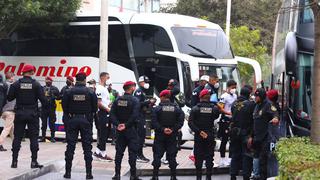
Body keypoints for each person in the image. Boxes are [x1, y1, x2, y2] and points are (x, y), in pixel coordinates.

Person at [7, 64, 47, 168]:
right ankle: (34, 162)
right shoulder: (36, 84)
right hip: (33, 114)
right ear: (31, 72)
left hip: (20, 113)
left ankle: (14, 162)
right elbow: (43, 100)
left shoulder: (16, 84)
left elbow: (10, 98)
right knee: (34, 138)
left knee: (17, 138)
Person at [62, 71, 98, 179]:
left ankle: (68, 173)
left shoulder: (69, 91)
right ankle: (88, 173)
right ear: (85, 80)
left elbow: (64, 107)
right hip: (85, 120)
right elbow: (94, 108)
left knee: (70, 146)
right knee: (87, 147)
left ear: (75, 79)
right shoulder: (90, 92)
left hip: (72, 120)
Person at [110, 81, 141, 180]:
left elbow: (112, 114)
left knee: (119, 153)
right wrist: (126, 125)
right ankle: (133, 175)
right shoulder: (135, 100)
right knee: (132, 153)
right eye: (134, 87)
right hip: (131, 130)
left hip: (120, 130)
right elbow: (135, 115)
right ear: (131, 88)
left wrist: (118, 124)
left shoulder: (117, 100)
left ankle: (117, 174)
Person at [151, 90, 184, 180]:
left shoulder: (157, 109)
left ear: (162, 97)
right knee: (172, 156)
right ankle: (173, 177)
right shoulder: (177, 109)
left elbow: (153, 122)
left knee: (157, 155)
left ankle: (155, 176)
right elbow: (180, 122)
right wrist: (172, 129)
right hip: (172, 136)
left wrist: (162, 129)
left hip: (160, 136)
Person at [188, 89, 220, 180]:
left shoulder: (195, 109)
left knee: (198, 157)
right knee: (209, 156)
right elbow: (216, 116)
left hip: (199, 136)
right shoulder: (214, 108)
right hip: (209, 135)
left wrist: (199, 131)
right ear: (209, 97)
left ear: (200, 97)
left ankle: (198, 178)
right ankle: (208, 177)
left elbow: (190, 123)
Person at [250, 88, 279, 180]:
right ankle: (256, 175)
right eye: (255, 96)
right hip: (256, 138)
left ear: (261, 96)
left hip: (265, 138)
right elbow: (254, 123)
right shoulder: (256, 106)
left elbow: (275, 113)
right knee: (255, 157)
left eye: (257, 96)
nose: (255, 98)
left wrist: (275, 118)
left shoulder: (268, 105)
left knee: (263, 160)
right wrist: (251, 137)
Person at [229, 87, 256, 180]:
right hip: (246, 132)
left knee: (235, 154)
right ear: (248, 94)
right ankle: (246, 175)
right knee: (247, 154)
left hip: (235, 132)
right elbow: (253, 119)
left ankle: (233, 174)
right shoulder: (250, 104)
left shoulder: (234, 104)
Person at [93, 72, 113, 161]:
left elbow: (105, 102)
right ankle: (102, 154)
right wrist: (107, 109)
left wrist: (110, 105)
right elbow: (98, 103)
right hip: (102, 113)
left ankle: (98, 152)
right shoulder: (99, 88)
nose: (109, 79)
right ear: (103, 78)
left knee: (105, 134)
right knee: (103, 134)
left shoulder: (104, 88)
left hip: (106, 113)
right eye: (107, 77)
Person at [218, 79, 238, 167]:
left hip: (232, 120)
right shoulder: (224, 96)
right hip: (225, 120)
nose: (234, 89)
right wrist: (228, 113)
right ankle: (222, 159)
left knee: (232, 140)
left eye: (235, 87)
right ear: (228, 87)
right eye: (233, 87)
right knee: (224, 140)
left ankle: (230, 158)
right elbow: (220, 108)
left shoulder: (235, 96)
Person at [134, 75, 152, 163]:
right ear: (141, 82)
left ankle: (140, 154)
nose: (147, 83)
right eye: (146, 82)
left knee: (142, 137)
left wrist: (149, 104)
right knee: (139, 137)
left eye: (148, 82)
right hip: (138, 117)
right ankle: (138, 155)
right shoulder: (139, 91)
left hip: (142, 116)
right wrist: (148, 102)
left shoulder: (143, 92)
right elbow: (138, 104)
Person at [39, 76, 60, 143]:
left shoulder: (55, 88)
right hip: (44, 108)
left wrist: (54, 96)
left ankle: (52, 137)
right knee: (43, 123)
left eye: (49, 80)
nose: (47, 82)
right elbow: (39, 96)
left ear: (51, 81)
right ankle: (43, 137)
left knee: (52, 123)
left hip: (51, 108)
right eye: (46, 80)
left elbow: (59, 97)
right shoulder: (42, 88)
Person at [60, 76, 75, 143]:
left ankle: (74, 138)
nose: (67, 81)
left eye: (68, 80)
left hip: (73, 110)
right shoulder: (64, 88)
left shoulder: (75, 88)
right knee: (66, 124)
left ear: (71, 81)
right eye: (67, 80)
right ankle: (67, 138)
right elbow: (59, 96)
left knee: (74, 125)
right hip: (65, 110)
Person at [0, 73, 11, 151]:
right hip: (3, 108)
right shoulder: (4, 85)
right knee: (8, 128)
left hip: (3, 109)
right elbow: (4, 98)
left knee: (11, 127)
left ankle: (16, 144)